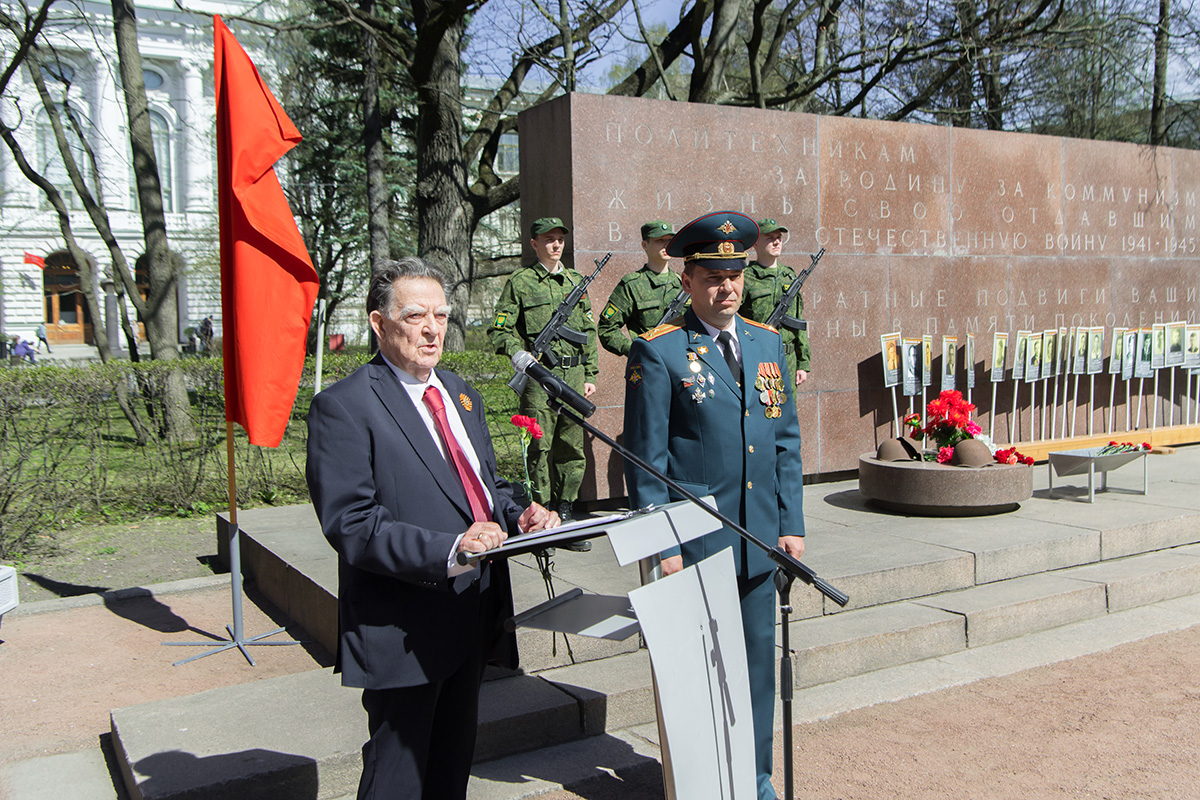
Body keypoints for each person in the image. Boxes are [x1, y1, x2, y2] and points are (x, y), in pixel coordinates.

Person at [307, 257, 560, 800]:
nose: (432, 329)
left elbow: (483, 484)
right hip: (403, 625)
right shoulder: (344, 406)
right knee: (397, 779)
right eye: (416, 315)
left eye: (441, 316)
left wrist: (520, 513)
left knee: (450, 769)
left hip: (470, 610)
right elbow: (352, 524)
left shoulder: (457, 392)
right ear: (379, 324)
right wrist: (452, 548)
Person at [623, 211, 805, 800]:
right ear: (687, 282)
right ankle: (700, 783)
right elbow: (646, 461)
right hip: (696, 544)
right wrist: (664, 545)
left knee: (755, 671)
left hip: (758, 539)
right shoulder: (660, 353)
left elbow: (784, 445)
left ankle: (754, 780)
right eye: (711, 277)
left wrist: (791, 526)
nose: (725, 286)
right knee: (700, 675)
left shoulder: (768, 343)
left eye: (734, 274)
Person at [489, 217, 598, 543]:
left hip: (574, 375)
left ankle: (565, 513)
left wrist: (590, 373)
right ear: (534, 243)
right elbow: (499, 330)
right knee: (539, 447)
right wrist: (522, 357)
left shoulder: (576, 281)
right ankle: (542, 514)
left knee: (571, 447)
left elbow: (588, 332)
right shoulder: (520, 283)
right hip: (539, 378)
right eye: (548, 239)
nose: (555, 245)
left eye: (560, 239)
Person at [742, 219, 811, 388]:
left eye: (779, 237)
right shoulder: (746, 277)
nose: (776, 242)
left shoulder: (789, 276)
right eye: (770, 238)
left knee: (788, 412)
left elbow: (798, 320)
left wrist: (803, 362)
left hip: (788, 359)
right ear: (755, 244)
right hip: (757, 356)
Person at [598, 220, 683, 356]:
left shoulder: (684, 284)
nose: (666, 245)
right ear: (645, 245)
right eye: (659, 240)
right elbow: (606, 328)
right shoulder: (632, 284)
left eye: (669, 240)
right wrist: (636, 350)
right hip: (648, 366)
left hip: (682, 361)